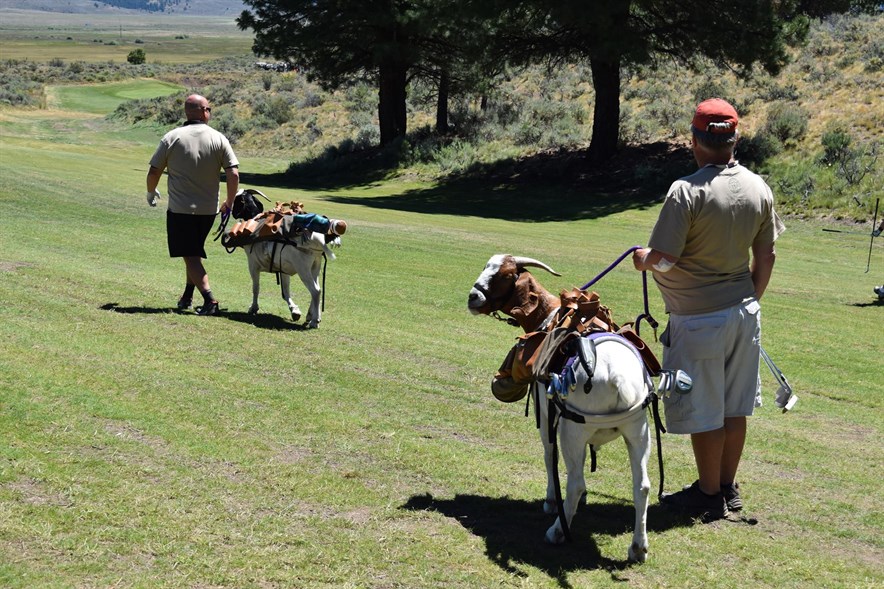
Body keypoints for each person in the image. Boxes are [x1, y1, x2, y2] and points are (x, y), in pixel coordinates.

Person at [632, 98, 786, 520]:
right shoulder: (760, 187)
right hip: (744, 313)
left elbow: (664, 258)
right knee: (734, 407)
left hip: (699, 319)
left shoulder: (686, 190)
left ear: (695, 141)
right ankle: (726, 486)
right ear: (734, 139)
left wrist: (642, 258)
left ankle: (707, 493)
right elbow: (767, 255)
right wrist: (750, 297)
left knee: (705, 409)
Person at [145, 94, 239, 316]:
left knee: (190, 255)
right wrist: (230, 201)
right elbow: (233, 173)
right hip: (208, 210)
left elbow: (154, 171)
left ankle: (209, 300)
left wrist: (150, 191)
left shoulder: (172, 137)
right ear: (204, 111)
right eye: (209, 109)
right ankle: (187, 295)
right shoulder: (219, 138)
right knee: (193, 252)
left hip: (180, 208)